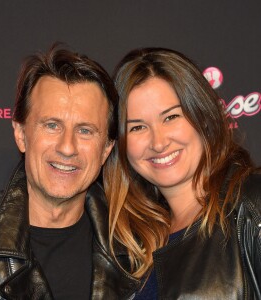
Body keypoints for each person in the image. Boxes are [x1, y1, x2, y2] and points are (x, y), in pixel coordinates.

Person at [0, 44, 139, 300]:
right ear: (21, 134)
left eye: (85, 130)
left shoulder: (137, 252)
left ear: (106, 149)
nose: (67, 147)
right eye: (52, 125)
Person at [104, 47, 261, 299]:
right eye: (137, 127)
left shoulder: (252, 205)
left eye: (170, 117)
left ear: (203, 116)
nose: (158, 142)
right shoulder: (131, 245)